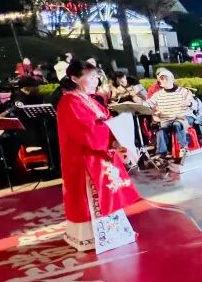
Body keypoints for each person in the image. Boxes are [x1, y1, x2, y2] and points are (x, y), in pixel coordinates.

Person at [55, 60, 139, 253]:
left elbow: (105, 119)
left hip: (101, 156)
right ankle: (92, 238)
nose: (96, 81)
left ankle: (114, 233)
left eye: (96, 77)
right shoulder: (69, 102)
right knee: (93, 199)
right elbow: (86, 132)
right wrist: (112, 133)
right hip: (85, 160)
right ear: (75, 78)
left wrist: (119, 129)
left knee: (109, 196)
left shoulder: (89, 100)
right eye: (91, 77)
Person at [144, 68, 195, 161]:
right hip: (167, 119)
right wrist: (138, 106)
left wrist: (189, 103)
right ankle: (161, 153)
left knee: (177, 124)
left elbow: (194, 105)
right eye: (162, 79)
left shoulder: (183, 91)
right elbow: (148, 104)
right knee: (160, 131)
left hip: (183, 117)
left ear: (172, 79)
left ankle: (184, 148)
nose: (164, 80)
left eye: (166, 78)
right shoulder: (158, 94)